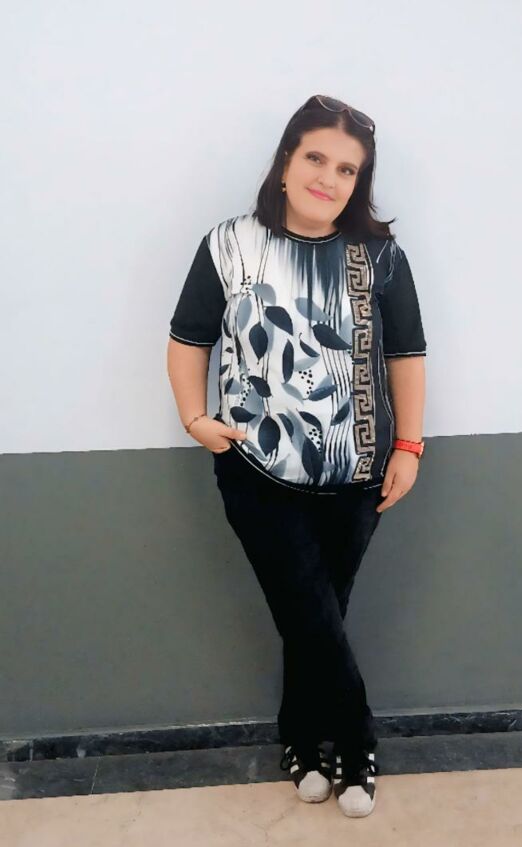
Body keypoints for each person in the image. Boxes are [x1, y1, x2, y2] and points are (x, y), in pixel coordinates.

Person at [166, 94, 427, 818]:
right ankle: (358, 741)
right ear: (286, 162)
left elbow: (407, 354)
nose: (328, 177)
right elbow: (188, 337)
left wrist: (409, 445)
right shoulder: (228, 244)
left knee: (318, 615)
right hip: (256, 472)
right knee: (309, 612)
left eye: (347, 169)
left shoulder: (380, 255)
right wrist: (195, 418)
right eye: (316, 157)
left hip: (360, 475)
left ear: (358, 183)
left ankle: (303, 739)